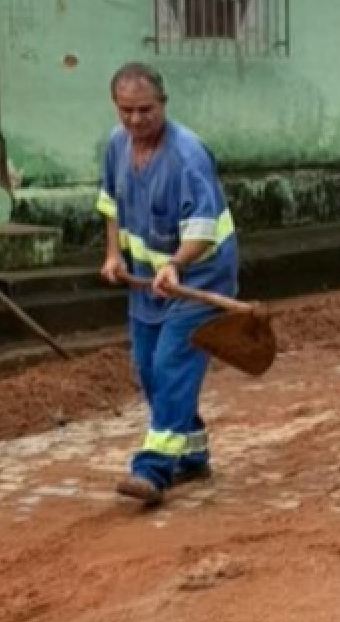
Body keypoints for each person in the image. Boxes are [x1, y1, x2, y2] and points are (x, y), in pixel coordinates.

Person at [97, 64, 236, 508]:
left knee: (172, 364)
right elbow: (110, 204)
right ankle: (192, 455)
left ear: (163, 104)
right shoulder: (116, 145)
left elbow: (203, 230)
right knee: (147, 366)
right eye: (126, 111)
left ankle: (152, 469)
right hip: (147, 281)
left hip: (200, 276)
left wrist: (176, 264)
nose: (136, 120)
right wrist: (114, 254)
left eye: (145, 110)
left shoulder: (188, 156)